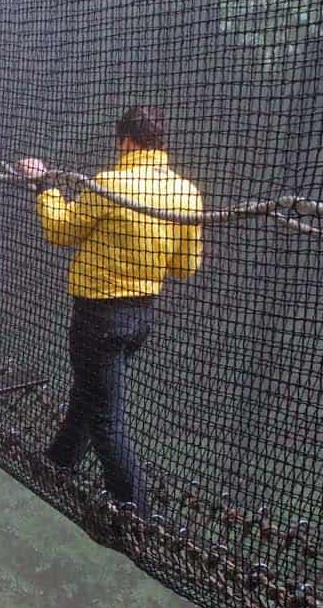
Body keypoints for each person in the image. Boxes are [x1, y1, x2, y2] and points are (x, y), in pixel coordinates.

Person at [16, 106, 203, 517]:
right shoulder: (186, 193)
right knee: (90, 394)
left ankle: (134, 513)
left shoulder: (111, 183)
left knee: (105, 418)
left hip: (98, 316)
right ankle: (59, 461)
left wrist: (43, 186)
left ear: (126, 141)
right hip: (141, 318)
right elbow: (185, 267)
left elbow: (60, 231)